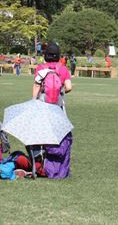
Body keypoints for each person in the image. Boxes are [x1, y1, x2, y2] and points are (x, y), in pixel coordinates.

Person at [32, 42, 73, 179]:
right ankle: (55, 162)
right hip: (58, 106)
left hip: (43, 104)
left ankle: (42, 162)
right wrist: (59, 91)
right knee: (57, 134)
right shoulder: (63, 68)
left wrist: (34, 101)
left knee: (42, 132)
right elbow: (69, 87)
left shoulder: (41, 68)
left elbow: (37, 86)